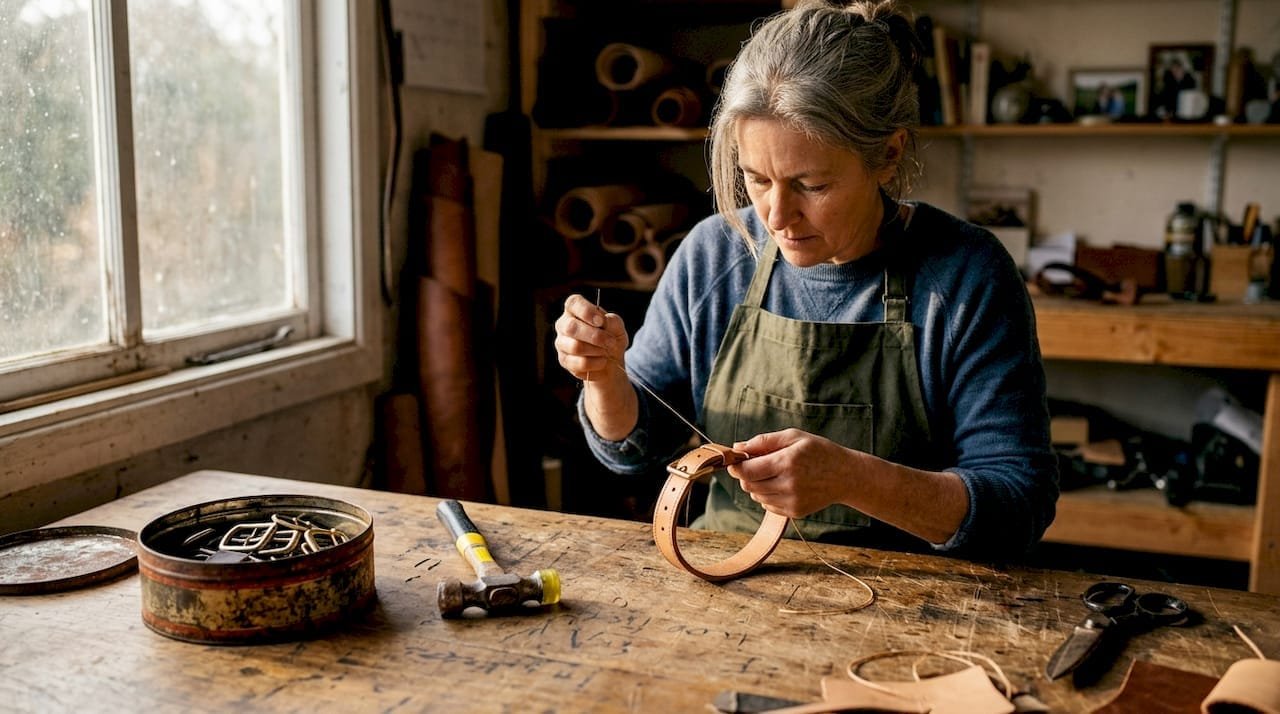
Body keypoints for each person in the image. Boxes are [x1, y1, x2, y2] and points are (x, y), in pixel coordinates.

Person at [553, 0, 1058, 559]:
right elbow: (633, 450)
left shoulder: (965, 273)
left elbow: (1019, 504)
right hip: (729, 576)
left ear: (888, 155)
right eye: (757, 180)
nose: (775, 216)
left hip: (916, 601)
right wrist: (603, 378)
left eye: (811, 185)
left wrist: (856, 480)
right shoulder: (714, 253)